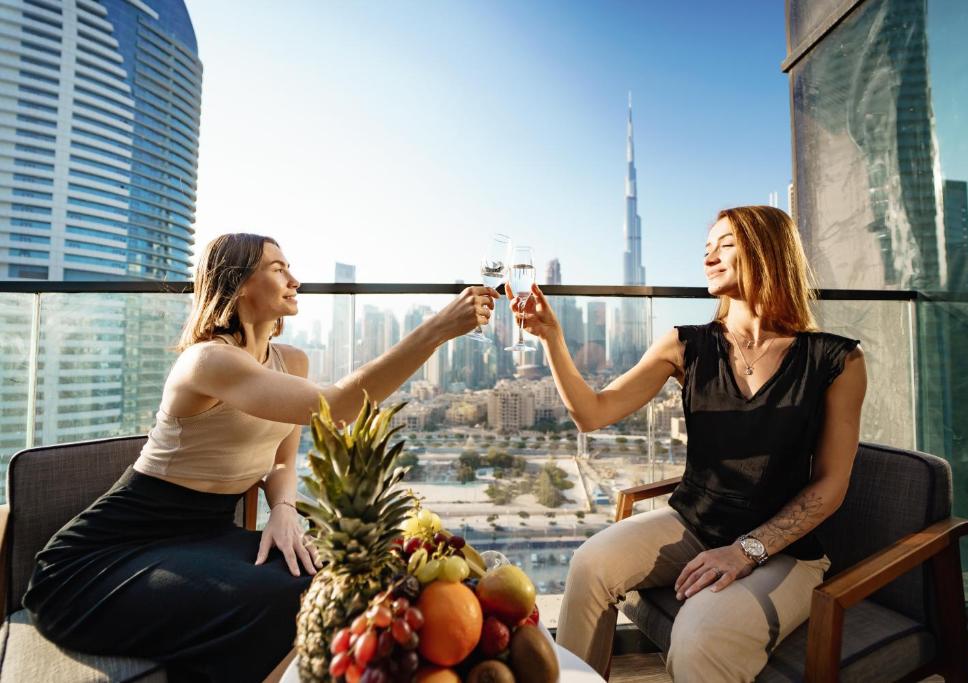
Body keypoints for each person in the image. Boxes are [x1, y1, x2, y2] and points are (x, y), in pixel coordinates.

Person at [24, 233, 498, 682]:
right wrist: (438, 329)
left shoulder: (291, 361)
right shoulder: (208, 360)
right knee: (285, 596)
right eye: (278, 268)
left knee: (337, 584)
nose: (295, 280)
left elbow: (281, 460)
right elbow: (339, 409)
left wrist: (284, 511)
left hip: (205, 534)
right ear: (239, 283)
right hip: (102, 559)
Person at [510, 206, 867, 682]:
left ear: (768, 252)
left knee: (699, 639)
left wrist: (746, 550)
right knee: (589, 564)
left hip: (785, 551)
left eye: (725, 246)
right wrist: (552, 338)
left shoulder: (837, 360)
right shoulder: (684, 345)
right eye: (706, 249)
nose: (709, 259)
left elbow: (831, 484)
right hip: (692, 522)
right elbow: (591, 413)